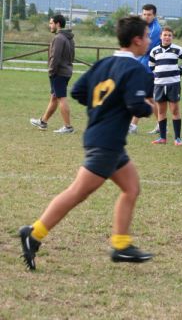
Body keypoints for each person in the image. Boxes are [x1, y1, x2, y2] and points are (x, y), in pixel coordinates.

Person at [18, 15, 154, 270]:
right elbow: (136, 105)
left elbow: (80, 91)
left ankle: (121, 245)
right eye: (147, 36)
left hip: (104, 139)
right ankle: (34, 233)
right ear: (137, 40)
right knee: (77, 192)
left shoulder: (104, 63)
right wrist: (147, 107)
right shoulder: (136, 69)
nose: (148, 40)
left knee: (131, 187)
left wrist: (105, 106)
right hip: (107, 142)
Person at [30, 14, 75, 134]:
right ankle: (43, 122)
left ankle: (68, 127)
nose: (50, 25)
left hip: (59, 72)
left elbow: (55, 57)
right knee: (54, 97)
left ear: (57, 24)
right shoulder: (69, 38)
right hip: (66, 71)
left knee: (61, 97)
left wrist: (51, 71)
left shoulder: (59, 38)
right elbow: (72, 56)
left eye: (51, 23)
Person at [148, 27, 182, 145]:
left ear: (172, 37)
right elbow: (151, 65)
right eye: (165, 35)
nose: (167, 37)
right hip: (159, 84)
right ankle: (162, 138)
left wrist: (181, 71)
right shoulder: (154, 51)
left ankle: (177, 138)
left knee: (175, 110)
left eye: (169, 35)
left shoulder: (178, 49)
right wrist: (156, 74)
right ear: (161, 36)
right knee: (161, 111)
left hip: (173, 83)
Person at [130, 4, 161, 134]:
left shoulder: (155, 29)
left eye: (149, 14)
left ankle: (133, 126)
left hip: (148, 68)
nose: (146, 17)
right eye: (144, 14)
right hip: (140, 65)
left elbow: (144, 46)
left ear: (154, 15)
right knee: (148, 98)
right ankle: (161, 124)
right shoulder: (143, 27)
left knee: (142, 96)